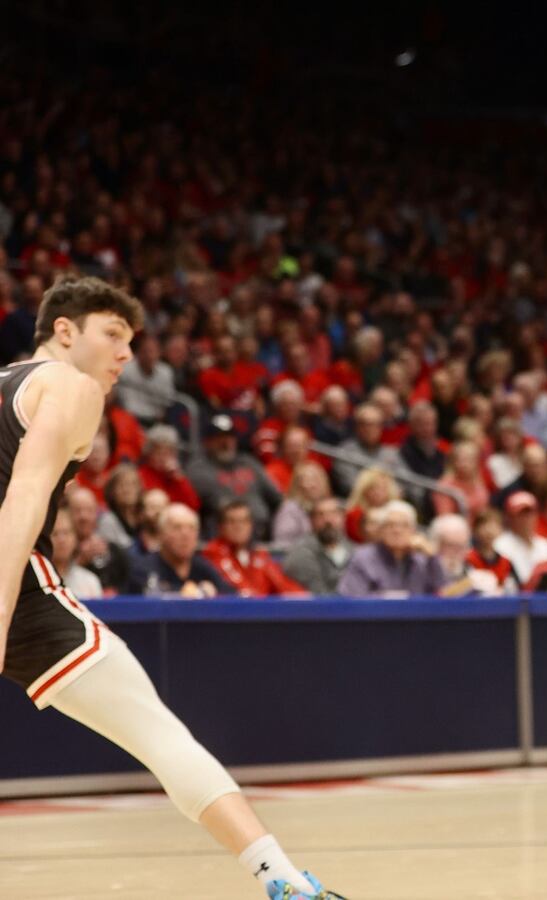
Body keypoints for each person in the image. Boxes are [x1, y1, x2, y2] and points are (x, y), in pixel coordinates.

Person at [0, 276, 342, 899]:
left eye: (131, 342)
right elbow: (22, 495)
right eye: (113, 335)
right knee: (160, 734)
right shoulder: (70, 384)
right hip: (18, 593)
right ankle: (287, 882)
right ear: (64, 332)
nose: (126, 356)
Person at [337, 499, 448, 597]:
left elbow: (443, 595)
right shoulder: (363, 558)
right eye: (390, 525)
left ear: (413, 531)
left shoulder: (422, 560)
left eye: (404, 525)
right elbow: (351, 596)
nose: (397, 531)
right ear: (381, 530)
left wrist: (432, 557)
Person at [202, 500, 306, 597]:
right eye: (231, 521)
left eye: (244, 521)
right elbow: (239, 590)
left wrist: (305, 598)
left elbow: (281, 583)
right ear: (221, 527)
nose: (238, 527)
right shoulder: (213, 552)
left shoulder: (258, 555)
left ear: (251, 525)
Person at [280, 497, 352, 595]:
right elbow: (317, 597)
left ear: (343, 517)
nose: (328, 520)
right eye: (320, 515)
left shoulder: (353, 549)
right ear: (311, 520)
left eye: (334, 513)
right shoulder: (300, 554)